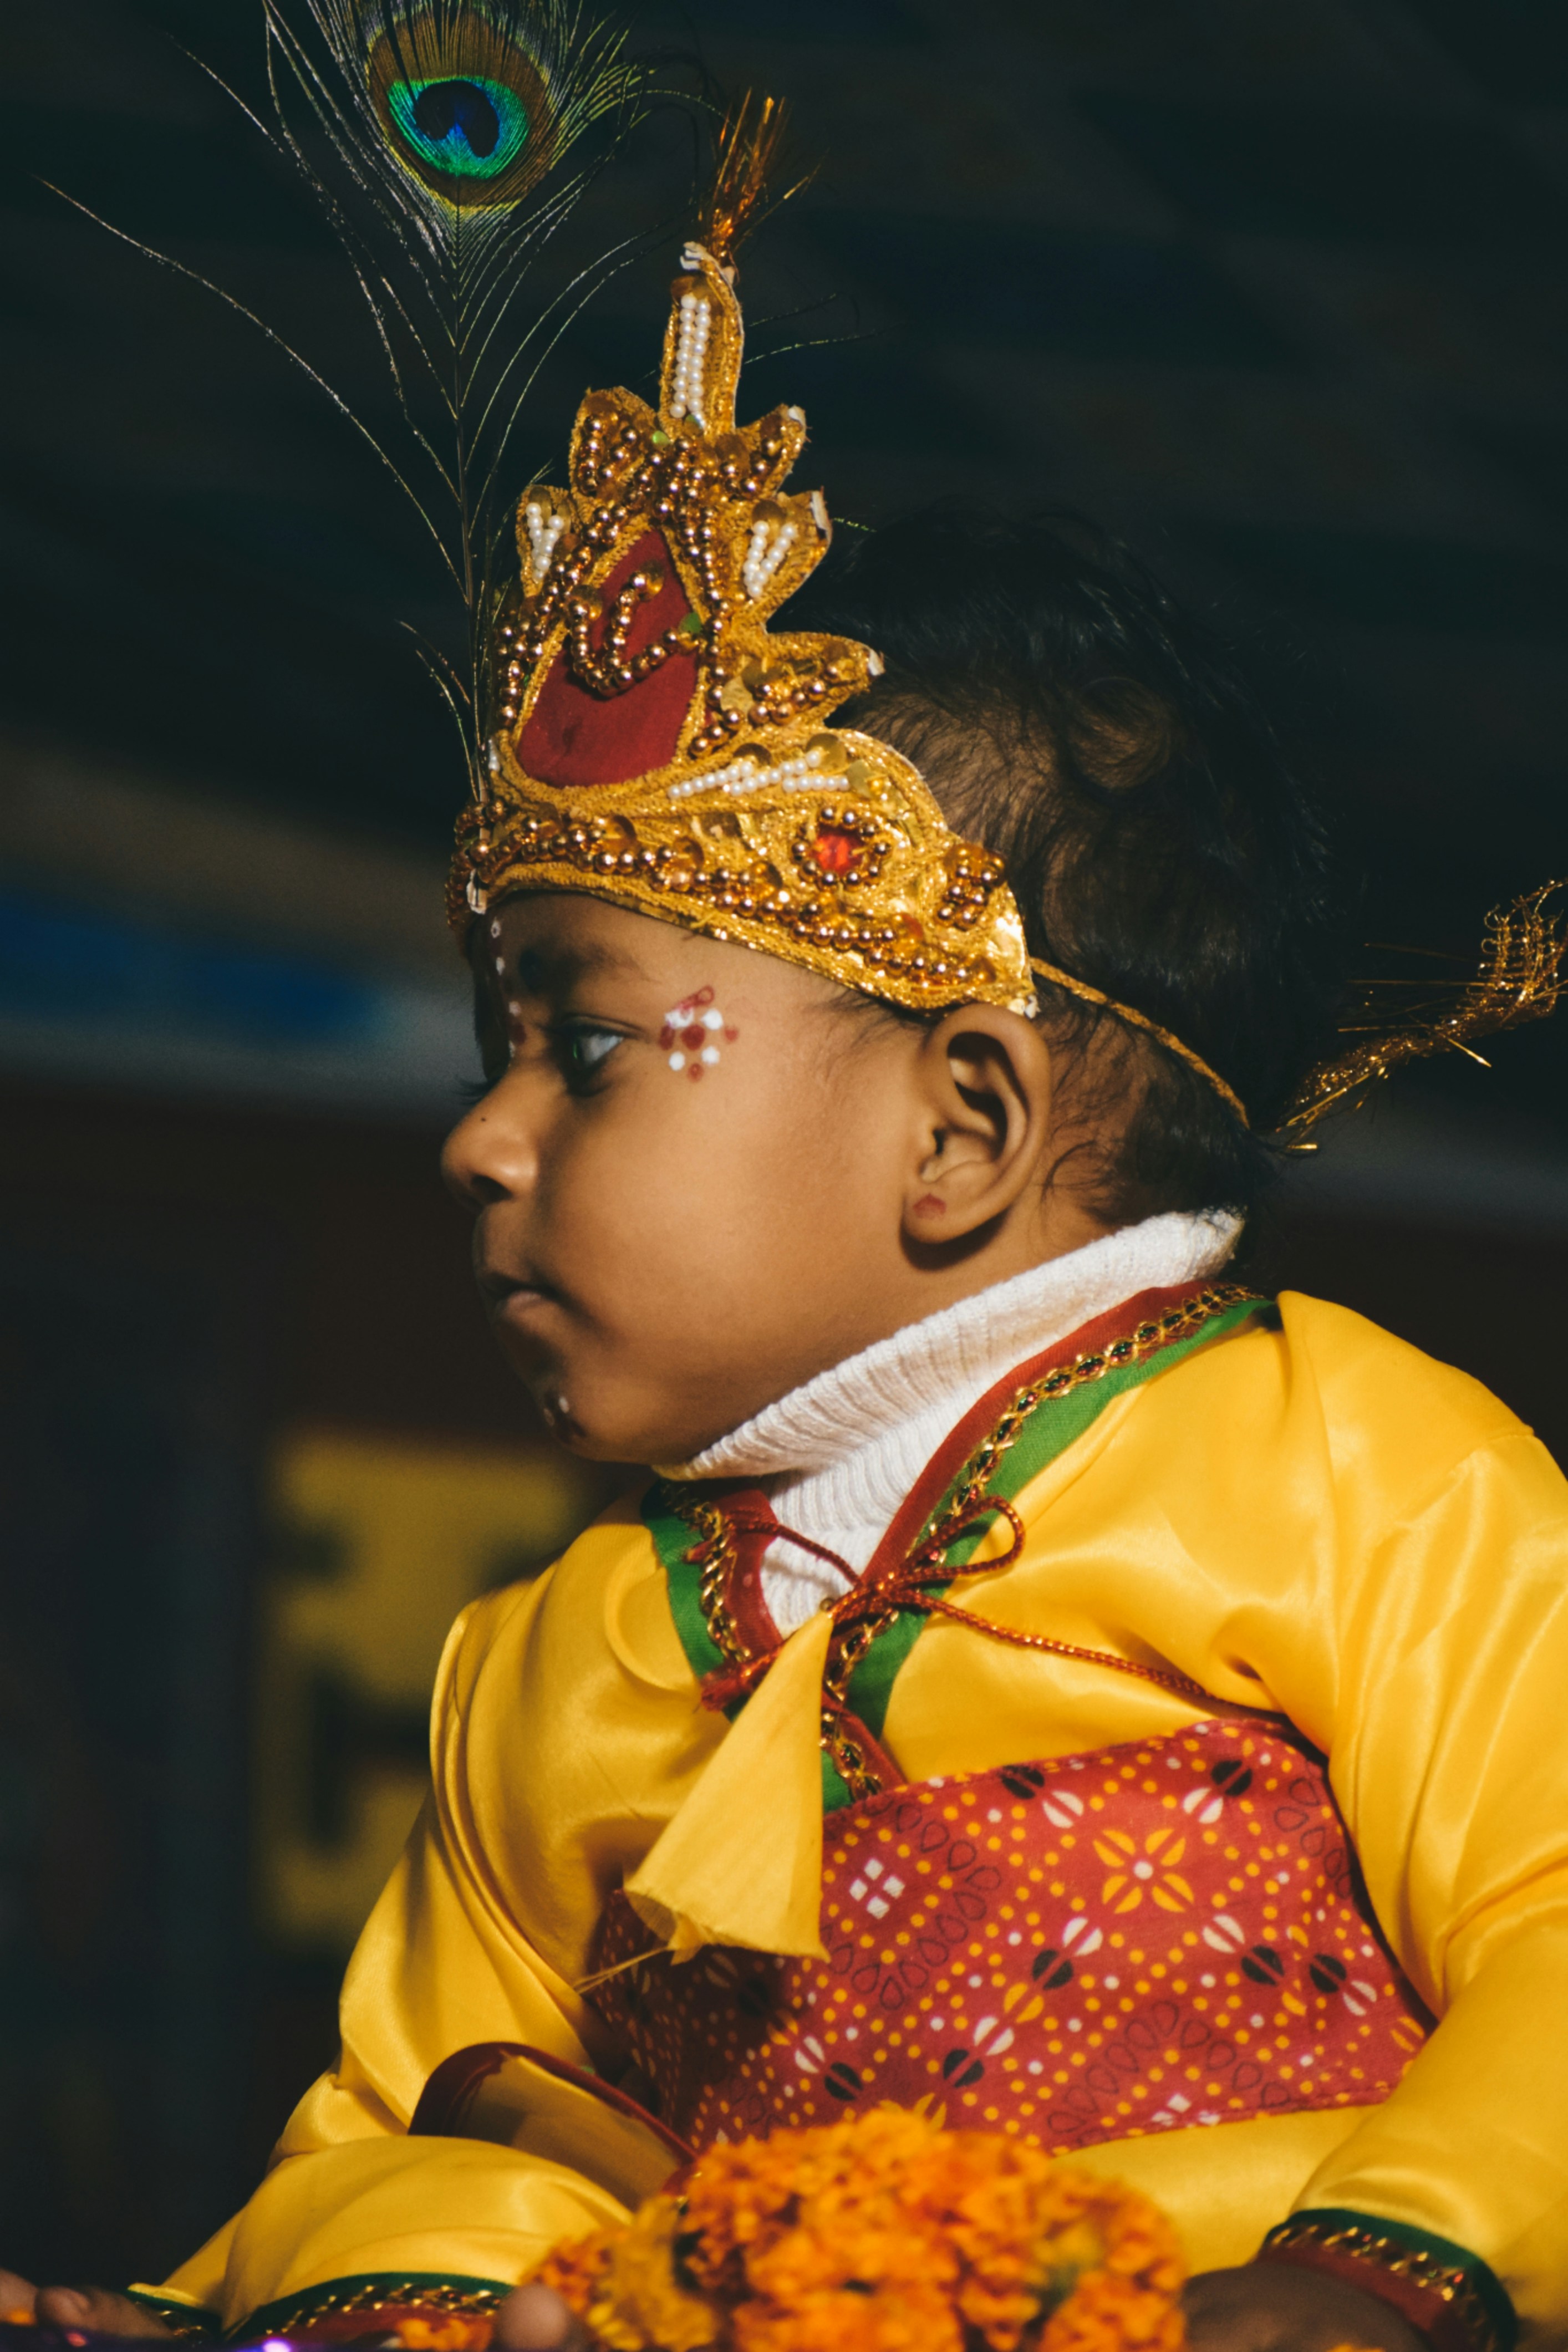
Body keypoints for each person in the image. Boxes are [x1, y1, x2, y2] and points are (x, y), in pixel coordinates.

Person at [6, 237, 1566, 2352]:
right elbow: (386, 2137)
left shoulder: (1362, 1478)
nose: (479, 1136)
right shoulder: (541, 1666)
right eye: (495, 1050)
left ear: (960, 1127)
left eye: (589, 1043)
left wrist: (1368, 2280)